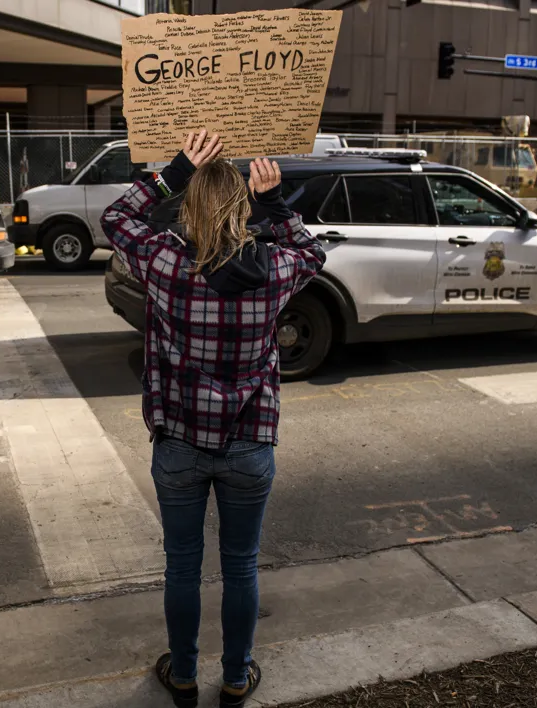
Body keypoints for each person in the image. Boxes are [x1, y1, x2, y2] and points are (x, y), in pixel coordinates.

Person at [100, 130, 326, 708]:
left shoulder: (165, 261)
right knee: (240, 566)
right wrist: (274, 203)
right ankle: (234, 675)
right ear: (241, 206)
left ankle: (181, 675)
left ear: (193, 205)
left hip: (177, 442)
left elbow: (116, 216)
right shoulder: (275, 269)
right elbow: (311, 253)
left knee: (182, 567)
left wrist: (175, 170)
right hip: (249, 444)